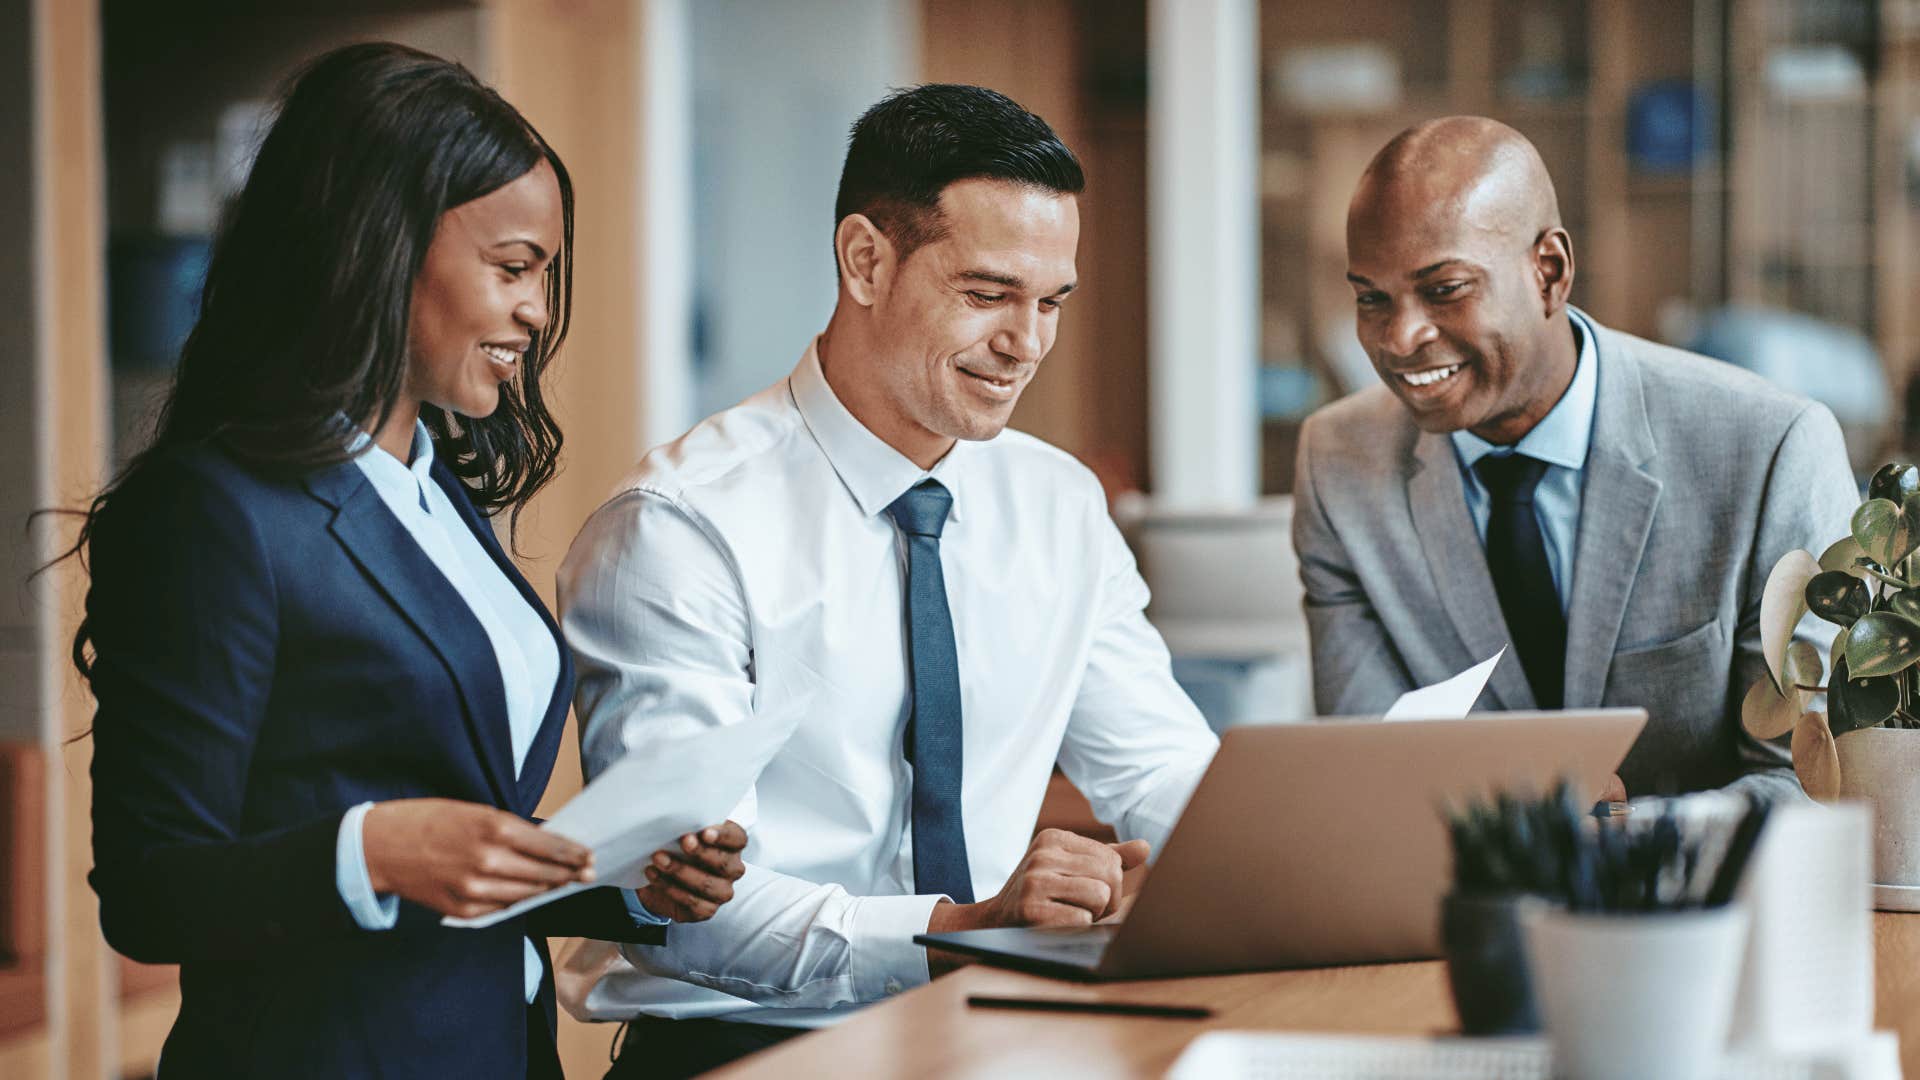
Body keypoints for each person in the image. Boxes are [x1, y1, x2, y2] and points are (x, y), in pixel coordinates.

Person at [74, 43, 745, 1079]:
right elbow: (151, 886)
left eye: (546, 276)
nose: (537, 310)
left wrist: (624, 881)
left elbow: (459, 847)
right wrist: (373, 849)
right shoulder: (218, 512)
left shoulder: (437, 496)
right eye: (513, 267)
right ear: (383, 247)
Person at [558, 83, 1220, 1076]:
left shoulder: (1060, 505)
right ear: (866, 260)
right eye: (988, 294)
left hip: (1001, 1039)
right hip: (744, 1052)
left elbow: (1159, 770)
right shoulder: (682, 526)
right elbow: (688, 913)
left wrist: (1272, 869)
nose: (1027, 344)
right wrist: (964, 925)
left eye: (1050, 303)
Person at [1293, 116, 1857, 800]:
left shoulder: (1770, 450)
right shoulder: (1337, 463)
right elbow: (1370, 771)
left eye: (1445, 289)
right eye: (1372, 299)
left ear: (1549, 273)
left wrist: (1615, 844)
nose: (1400, 337)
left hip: (1703, 902)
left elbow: (1806, 783)